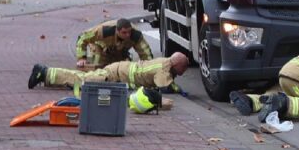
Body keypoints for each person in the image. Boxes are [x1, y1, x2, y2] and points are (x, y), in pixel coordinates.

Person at [27, 52, 189, 112]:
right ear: (177, 65)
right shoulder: (163, 70)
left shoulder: (166, 63)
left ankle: (49, 77)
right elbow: (165, 86)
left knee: (82, 83)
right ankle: (45, 72)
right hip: (114, 74)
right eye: (184, 68)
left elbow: (168, 82)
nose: (184, 72)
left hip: (118, 72)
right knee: (83, 79)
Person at [75, 18, 153, 68]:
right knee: (98, 69)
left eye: (129, 32)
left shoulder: (135, 34)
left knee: (122, 69)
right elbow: (83, 37)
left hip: (119, 51)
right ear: (117, 31)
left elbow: (145, 51)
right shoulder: (104, 30)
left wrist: (148, 67)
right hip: (100, 48)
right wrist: (81, 58)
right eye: (124, 32)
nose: (128, 35)